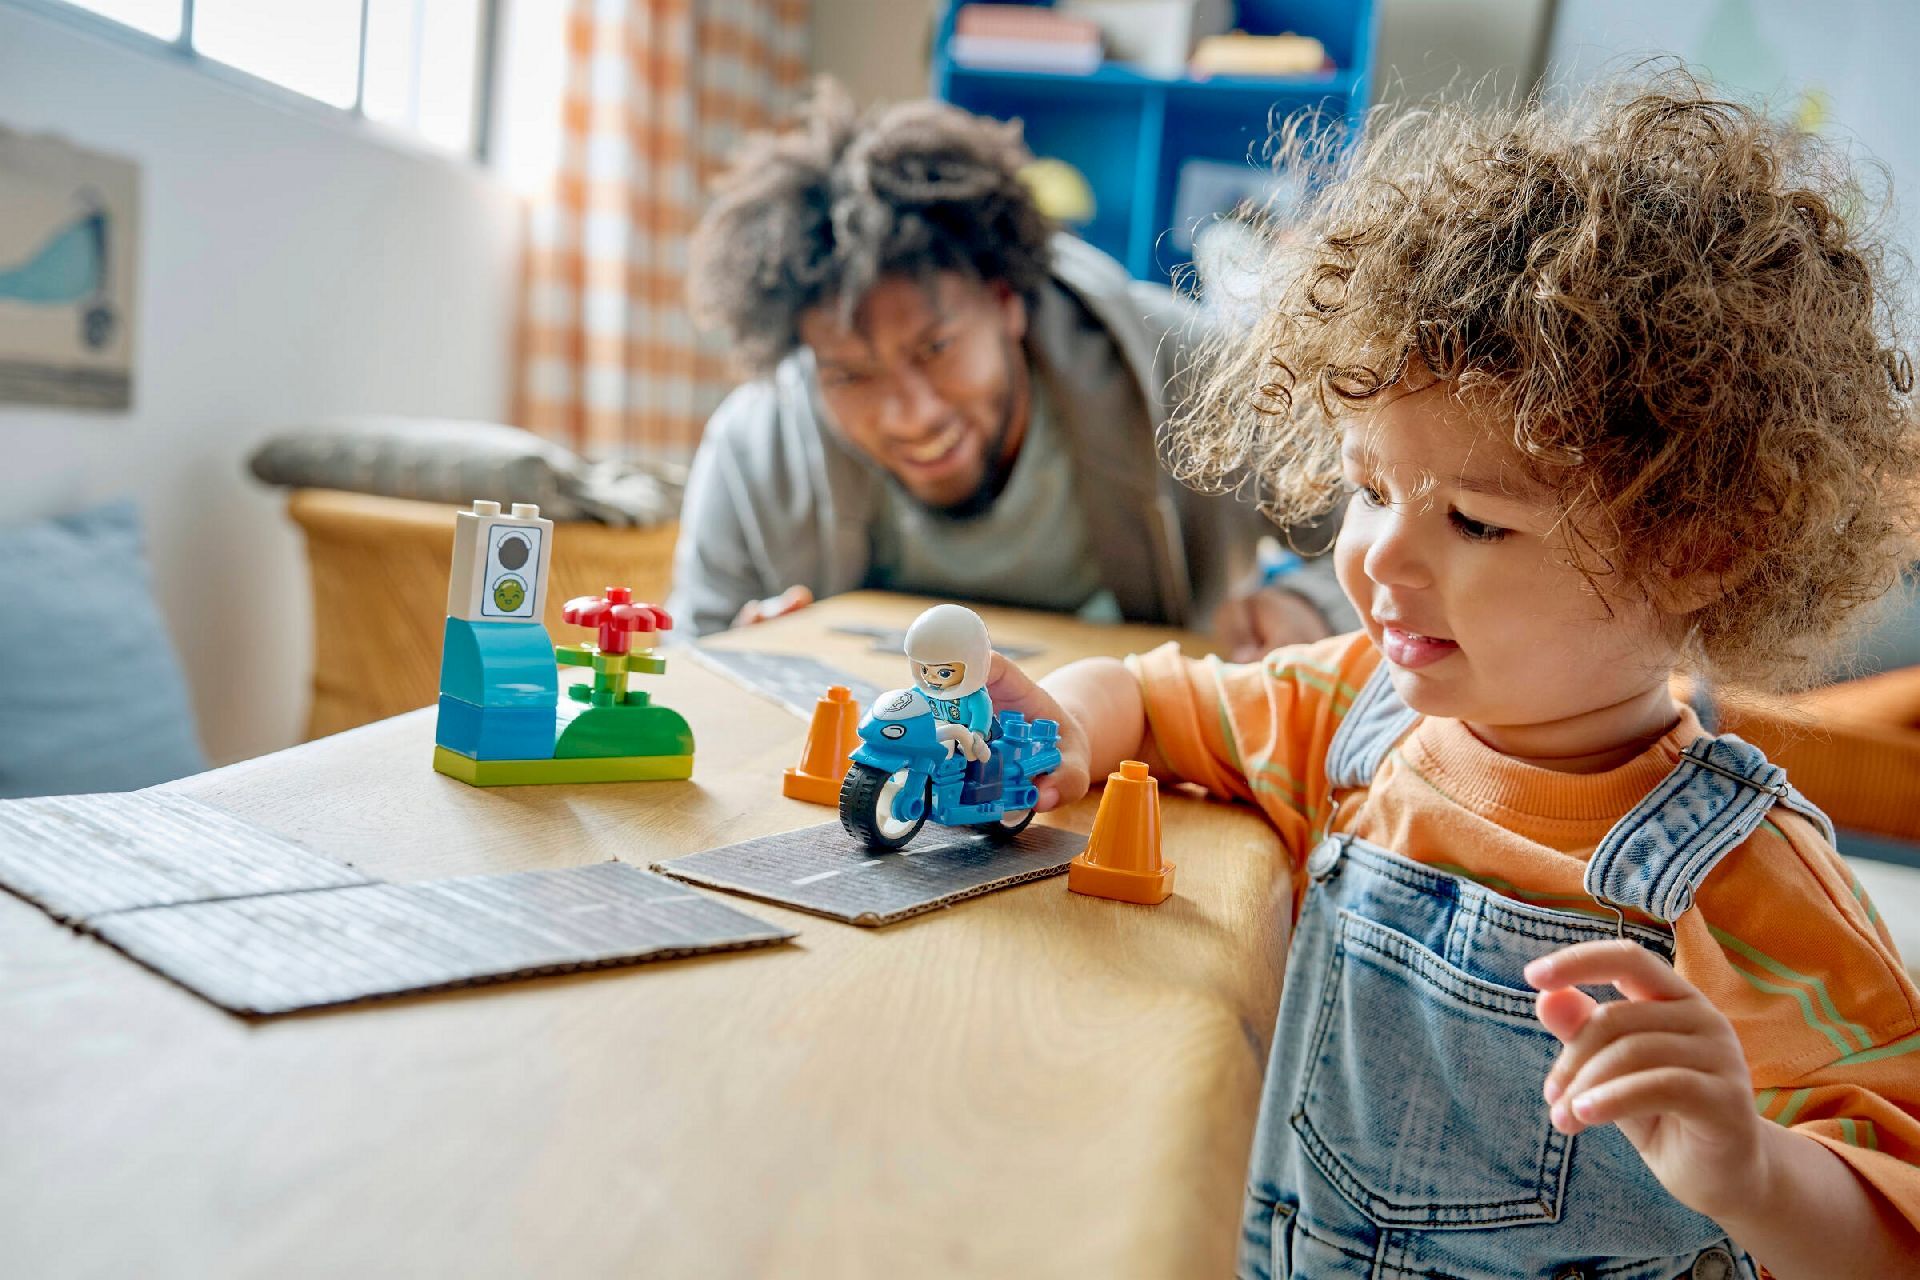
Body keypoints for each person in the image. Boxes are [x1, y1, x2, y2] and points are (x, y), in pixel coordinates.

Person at [988, 73, 1920, 1279]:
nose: (1376, 554)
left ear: (1694, 551)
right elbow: (1158, 701)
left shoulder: (1753, 885)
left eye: (1475, 521)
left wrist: (1755, 1170)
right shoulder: (1347, 707)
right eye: (1371, 489)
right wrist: (1061, 721)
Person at [668, 83, 1350, 655]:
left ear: (1006, 301)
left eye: (935, 349)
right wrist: (741, 662)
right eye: (850, 375)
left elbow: (1381, 522)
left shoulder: (1193, 370)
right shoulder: (755, 443)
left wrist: (1309, 606)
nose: (912, 415)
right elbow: (693, 657)